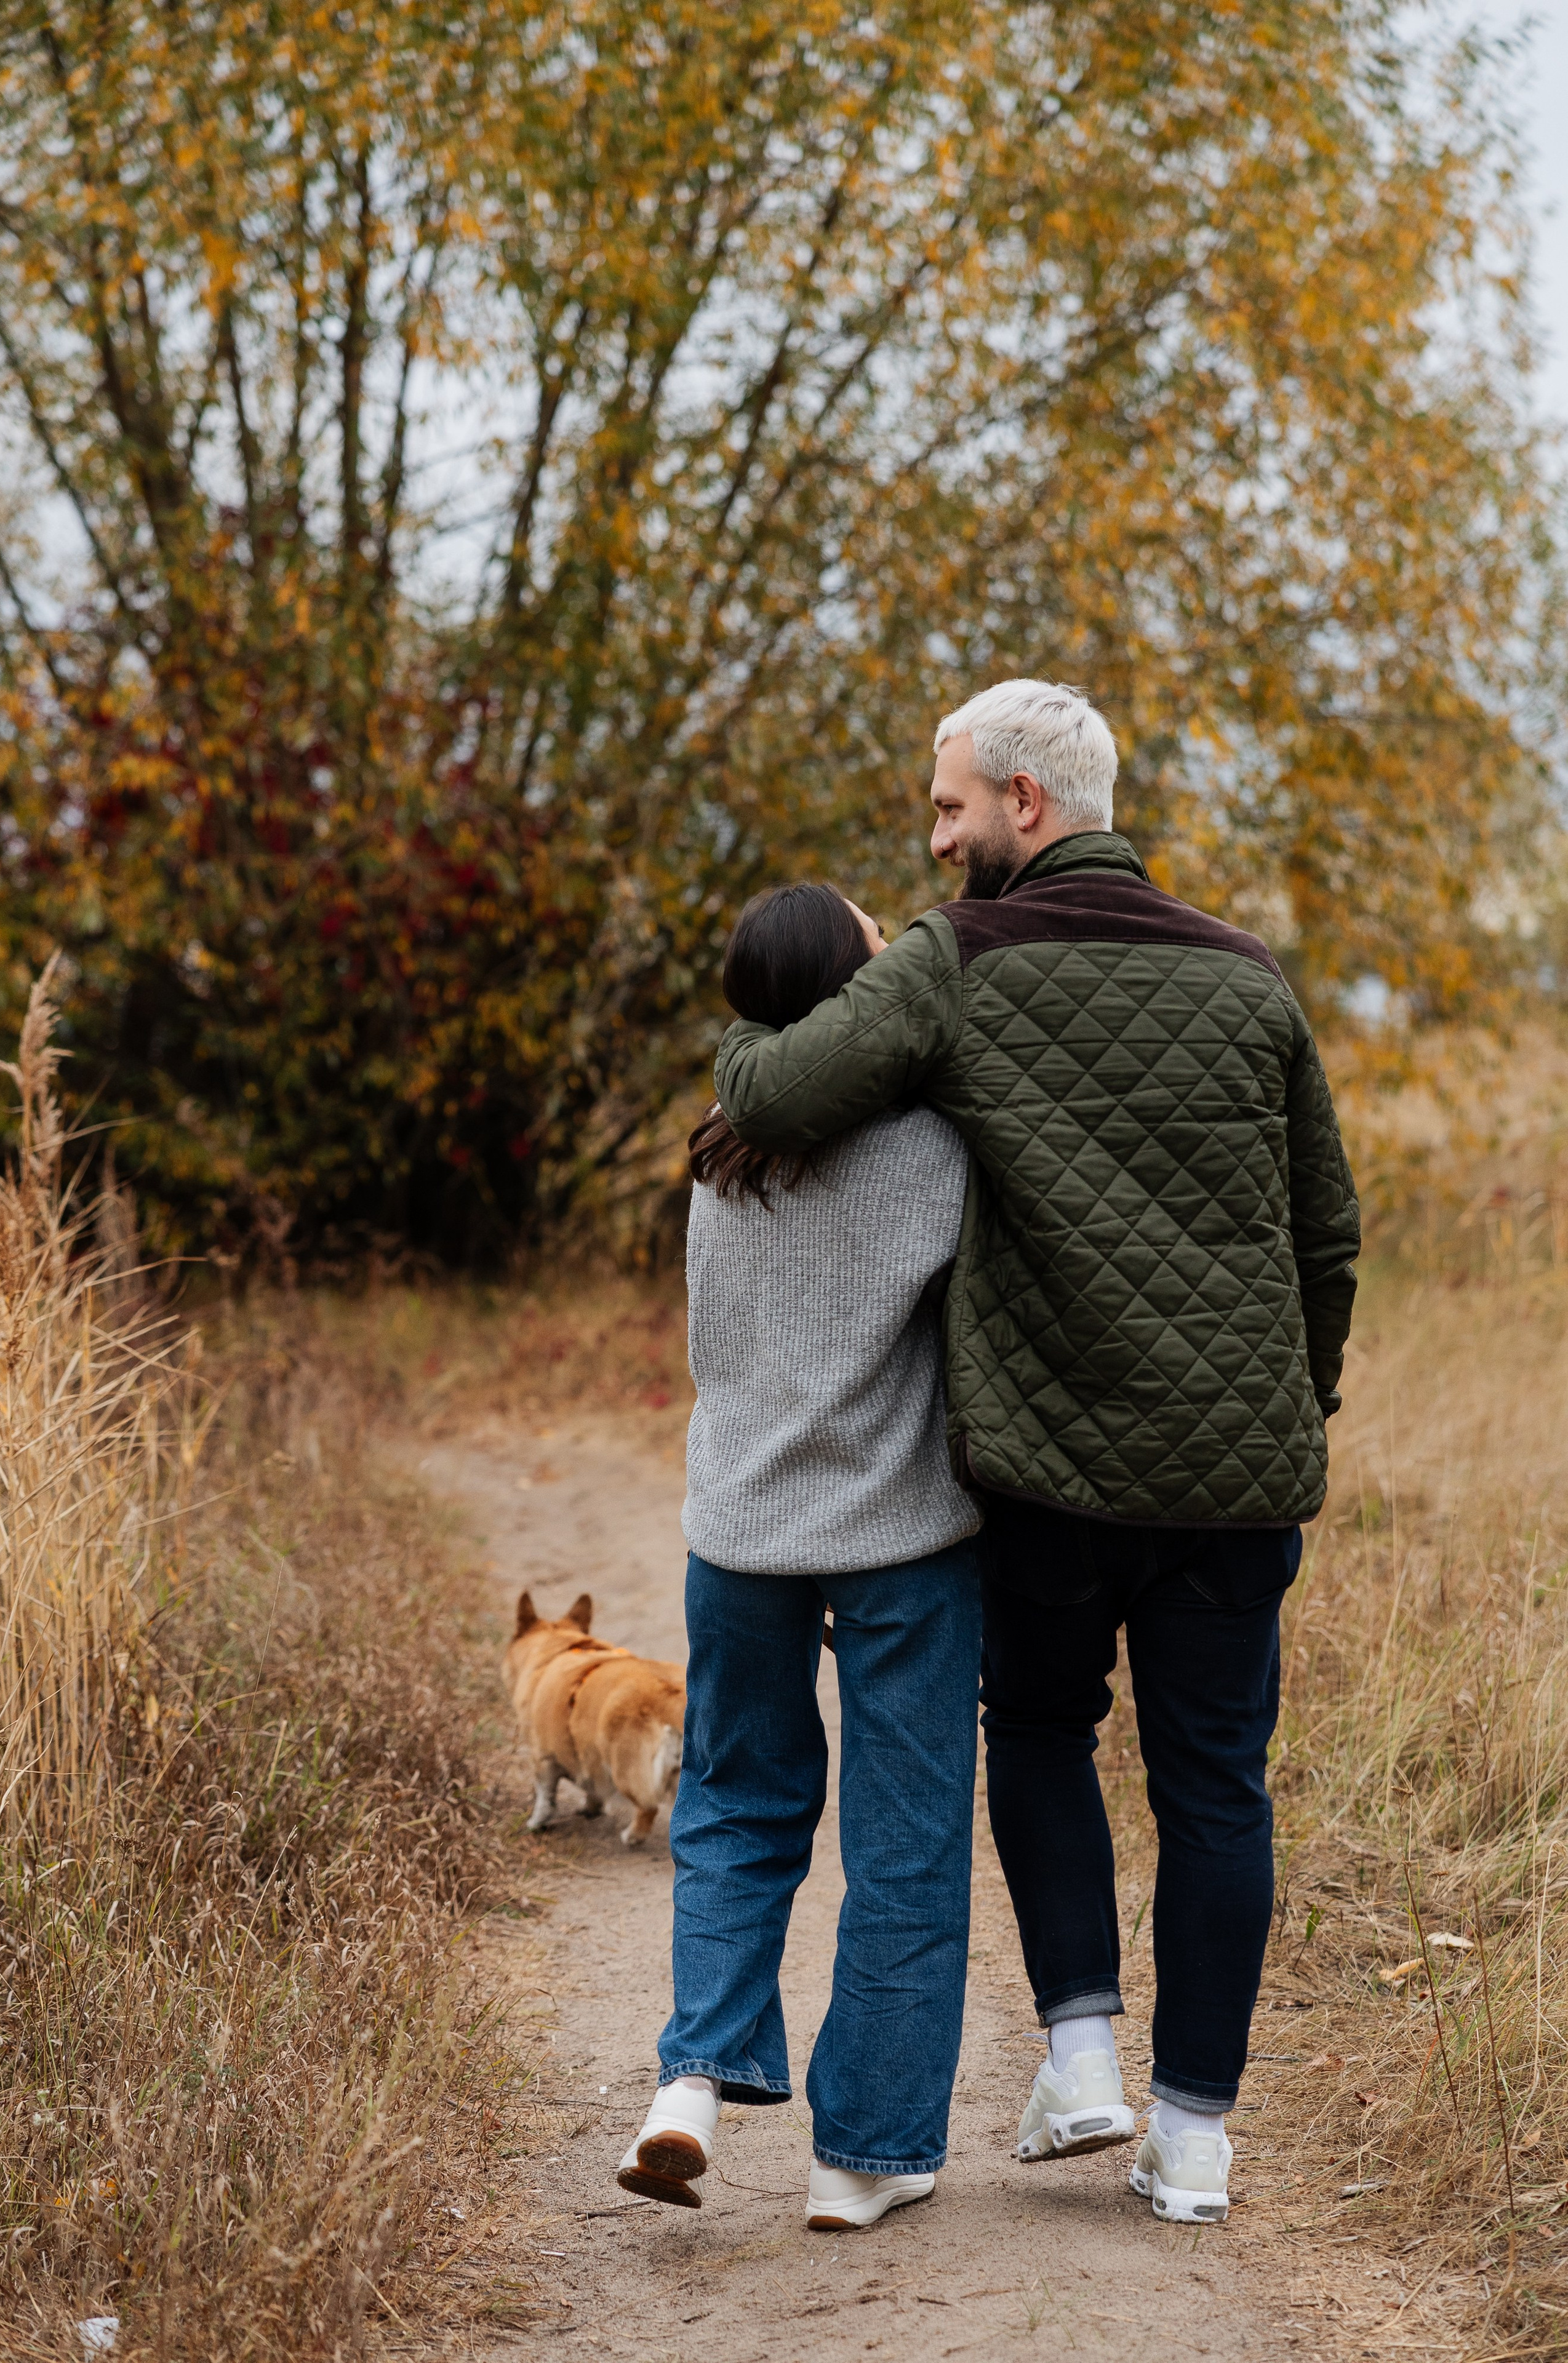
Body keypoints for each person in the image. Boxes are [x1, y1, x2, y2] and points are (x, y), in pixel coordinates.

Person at [712, 679, 1360, 2227]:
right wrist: (1296, 1400)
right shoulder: (1246, 972)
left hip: (1052, 1474)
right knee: (1217, 1789)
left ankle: (1079, 2054)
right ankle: (1191, 2143)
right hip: (1236, 1474)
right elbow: (1324, 1231)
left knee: (1045, 1728)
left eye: (947, 809)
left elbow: (780, 1082)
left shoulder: (957, 959)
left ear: (1021, 801)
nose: (934, 842)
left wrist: (739, 1068)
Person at [617, 881, 984, 2233]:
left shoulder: (715, 1150)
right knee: (906, 1834)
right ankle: (866, 2158)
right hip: (901, 1539)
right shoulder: (930, 1151)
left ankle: (688, 2086)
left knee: (733, 1808)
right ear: (852, 990)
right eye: (876, 938)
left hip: (741, 1534)